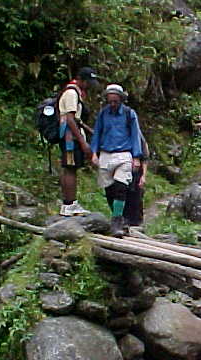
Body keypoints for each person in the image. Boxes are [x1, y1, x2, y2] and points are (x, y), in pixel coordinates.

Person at [90, 84, 148, 237]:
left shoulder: (129, 114)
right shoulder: (103, 114)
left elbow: (136, 135)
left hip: (124, 154)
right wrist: (93, 153)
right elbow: (97, 133)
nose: (113, 104)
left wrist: (137, 157)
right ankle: (120, 218)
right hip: (106, 154)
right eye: (110, 101)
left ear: (121, 100)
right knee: (109, 190)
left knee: (121, 187)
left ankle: (116, 222)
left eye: (116, 101)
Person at [58, 66, 99, 216]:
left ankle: (69, 203)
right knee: (70, 168)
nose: (89, 86)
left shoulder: (76, 94)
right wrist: (83, 142)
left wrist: (90, 132)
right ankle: (69, 204)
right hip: (70, 138)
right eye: (88, 82)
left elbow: (77, 119)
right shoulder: (71, 93)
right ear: (81, 80)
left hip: (73, 136)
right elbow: (70, 118)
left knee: (71, 168)